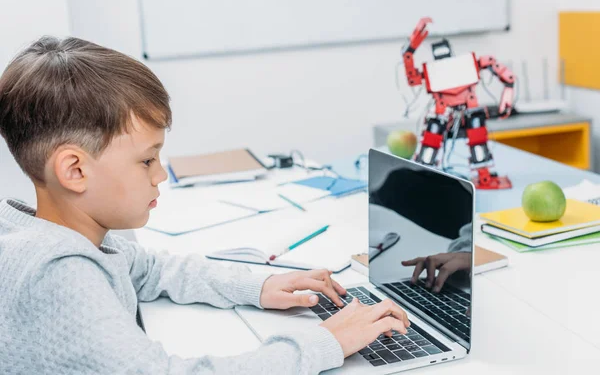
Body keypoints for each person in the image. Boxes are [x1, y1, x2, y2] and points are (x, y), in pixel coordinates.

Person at [0, 36, 410, 374]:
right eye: (146, 160)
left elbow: (149, 269)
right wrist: (328, 342)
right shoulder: (59, 274)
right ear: (74, 170)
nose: (160, 175)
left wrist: (259, 286)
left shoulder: (50, 232)